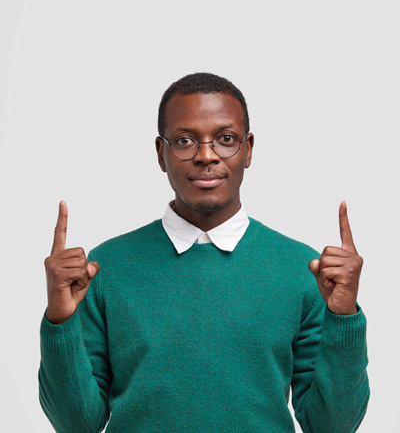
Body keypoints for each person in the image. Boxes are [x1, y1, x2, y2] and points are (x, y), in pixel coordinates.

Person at [39, 72, 369, 433]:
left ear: (248, 149)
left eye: (226, 139)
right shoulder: (104, 269)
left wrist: (344, 317)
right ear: (161, 153)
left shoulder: (304, 270)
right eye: (185, 141)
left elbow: (332, 426)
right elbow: (77, 424)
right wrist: (60, 321)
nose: (206, 156)